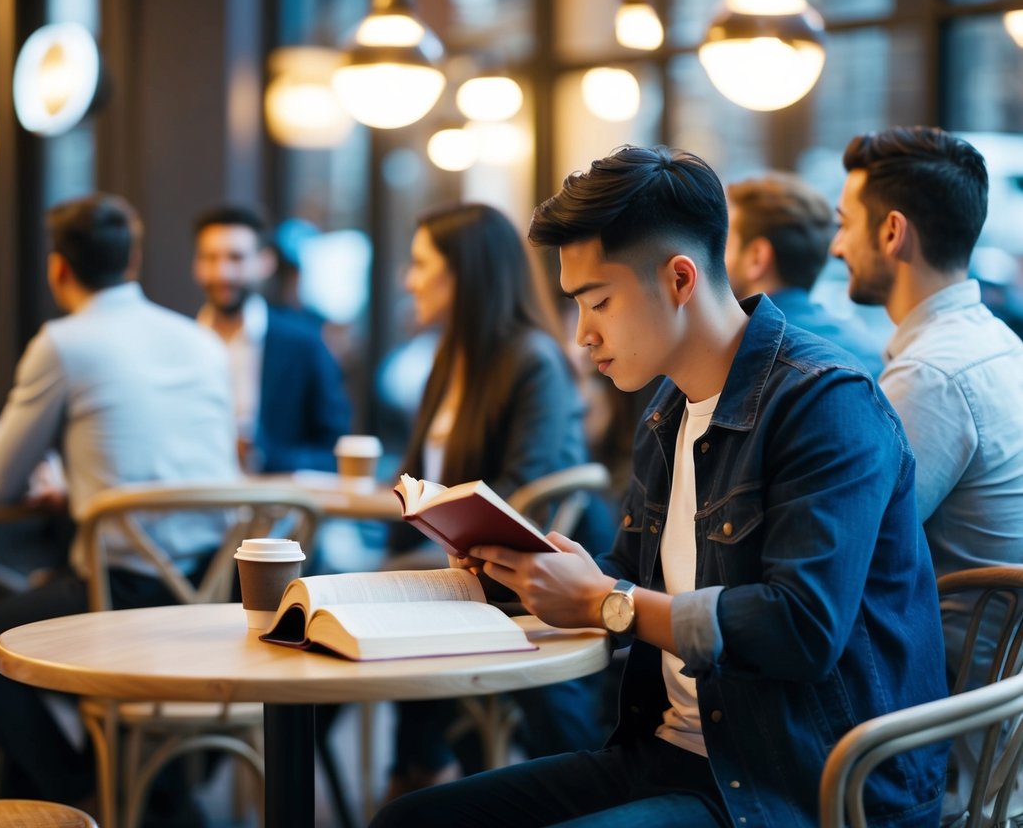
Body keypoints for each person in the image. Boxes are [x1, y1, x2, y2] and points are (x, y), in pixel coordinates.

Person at [372, 146, 948, 828]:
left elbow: (800, 628)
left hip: (797, 782)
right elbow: (631, 575)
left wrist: (610, 603)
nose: (582, 334)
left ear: (679, 278)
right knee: (408, 820)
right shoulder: (665, 407)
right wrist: (524, 570)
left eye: (599, 302)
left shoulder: (825, 402)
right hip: (675, 754)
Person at [0, 194, 239, 810]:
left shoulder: (64, 342)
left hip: (124, 597)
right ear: (132, 260)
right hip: (218, 592)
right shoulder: (201, 340)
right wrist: (84, 485)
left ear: (58, 269)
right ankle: (144, 795)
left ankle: (85, 794)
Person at [387, 202, 614, 796]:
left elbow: (526, 492)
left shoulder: (531, 359)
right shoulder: (451, 358)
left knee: (356, 597)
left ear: (467, 272)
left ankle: (415, 772)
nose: (408, 280)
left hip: (520, 565)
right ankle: (415, 769)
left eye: (420, 265)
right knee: (334, 599)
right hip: (456, 557)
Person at [831, 125, 1023, 822]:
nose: (834, 246)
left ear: (890, 232)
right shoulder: (992, 341)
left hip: (929, 741)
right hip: (998, 725)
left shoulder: (930, 376)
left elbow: (843, 559)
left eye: (842, 223)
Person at [192, 205, 351, 473]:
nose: (223, 273)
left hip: (279, 507)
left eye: (236, 258)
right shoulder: (182, 345)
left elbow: (335, 450)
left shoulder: (303, 345)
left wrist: (263, 456)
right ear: (196, 266)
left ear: (265, 262)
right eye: (210, 258)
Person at [725, 171, 886, 377]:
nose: (714, 258)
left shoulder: (733, 355)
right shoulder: (866, 350)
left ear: (757, 257)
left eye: (724, 245)